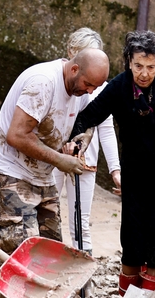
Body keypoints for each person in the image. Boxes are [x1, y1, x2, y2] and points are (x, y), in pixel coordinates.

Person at [0, 47, 109, 298]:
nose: (88, 92)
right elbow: (17, 135)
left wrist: (78, 142)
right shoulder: (43, 82)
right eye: (87, 85)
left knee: (52, 247)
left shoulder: (82, 90)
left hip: (41, 173)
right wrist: (60, 160)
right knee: (18, 250)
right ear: (74, 69)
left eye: (94, 88)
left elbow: (89, 121)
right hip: (6, 170)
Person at [68, 31, 155, 296]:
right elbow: (87, 117)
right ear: (128, 62)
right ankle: (126, 294)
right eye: (138, 66)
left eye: (151, 67)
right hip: (136, 173)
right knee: (133, 233)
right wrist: (77, 141)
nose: (144, 73)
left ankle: (148, 296)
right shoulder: (119, 87)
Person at [51, 28, 122, 255]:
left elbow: (107, 129)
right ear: (73, 53)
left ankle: (84, 279)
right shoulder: (55, 78)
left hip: (85, 161)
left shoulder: (101, 86)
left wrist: (115, 170)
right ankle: (50, 265)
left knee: (81, 221)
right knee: (47, 212)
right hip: (54, 156)